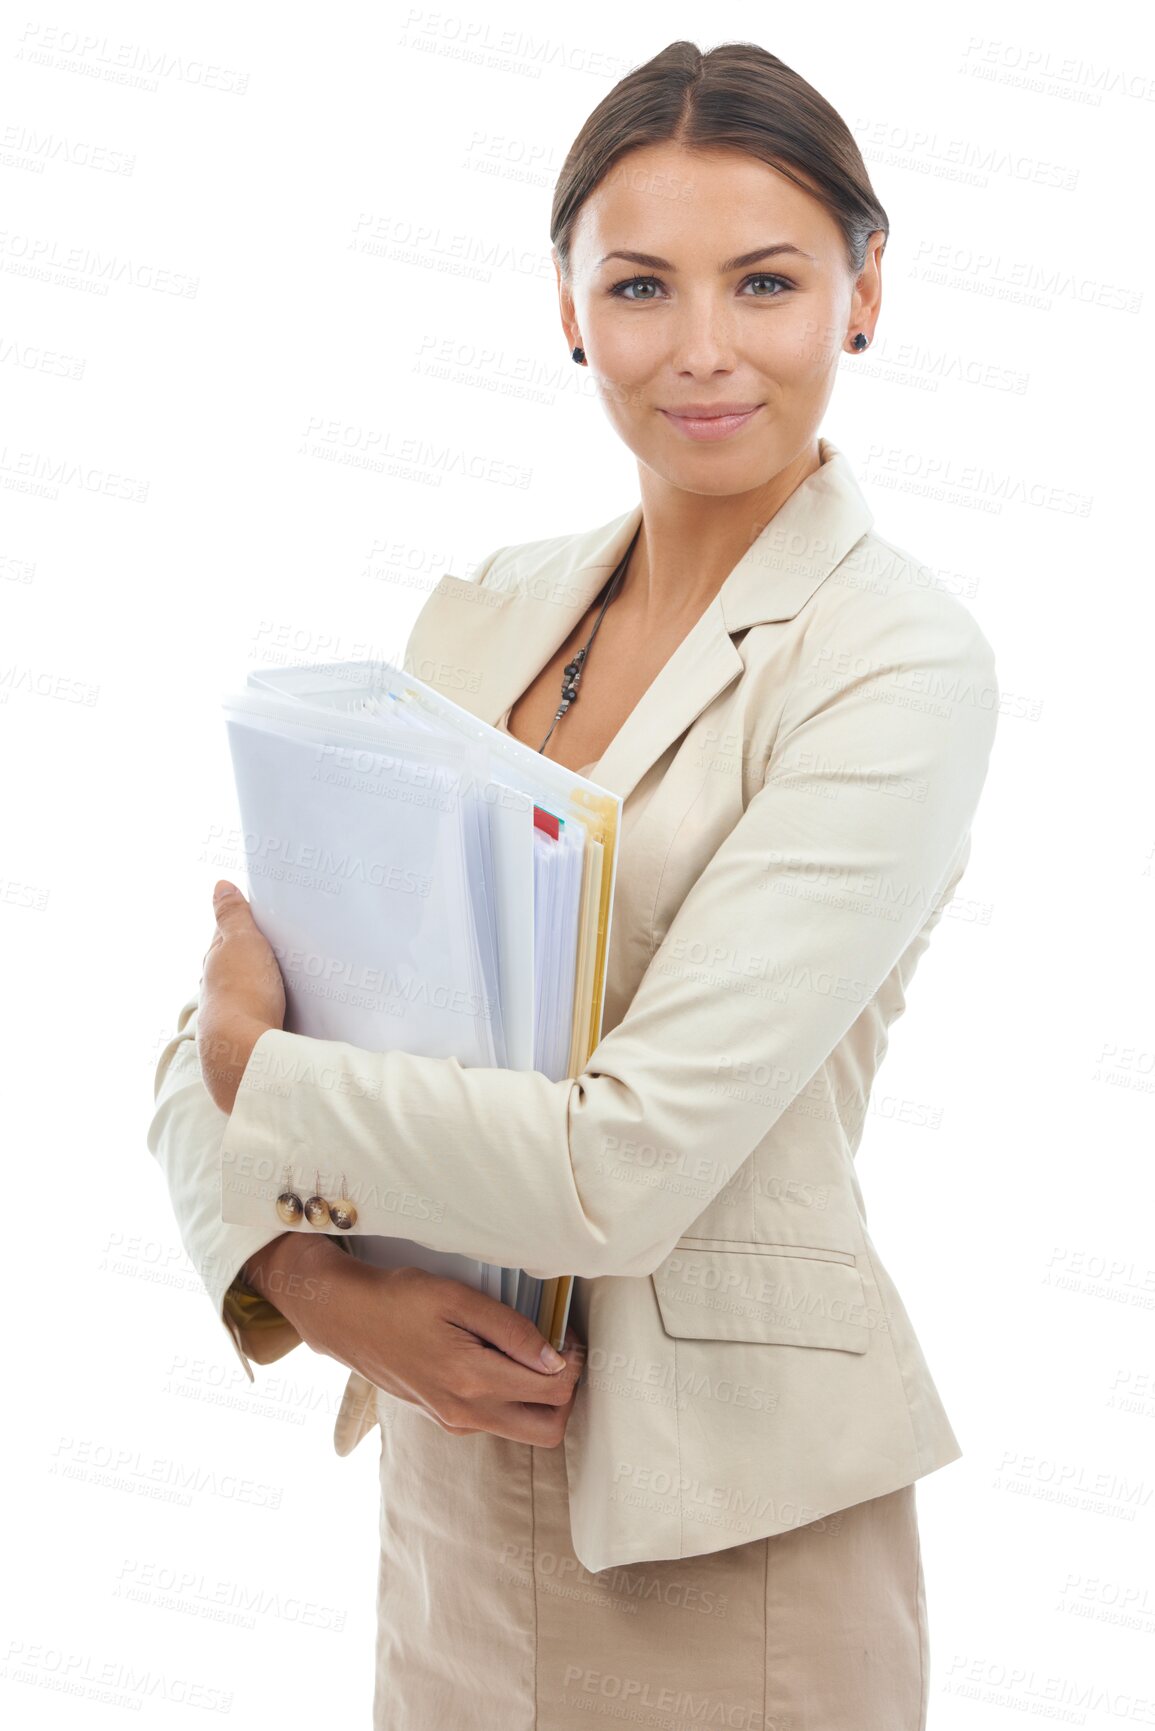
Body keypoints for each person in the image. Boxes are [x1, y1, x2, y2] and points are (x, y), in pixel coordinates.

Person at [149, 38, 1000, 1730]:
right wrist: (314, 1287)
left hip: (728, 1542)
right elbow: (214, 1034)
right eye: (639, 285)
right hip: (456, 1489)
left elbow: (620, 1167)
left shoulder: (894, 664)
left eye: (765, 282)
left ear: (865, 291)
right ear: (565, 307)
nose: (701, 351)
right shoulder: (479, 617)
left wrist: (260, 1075)